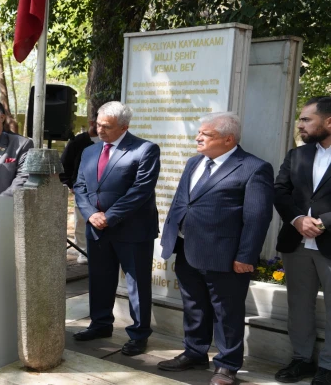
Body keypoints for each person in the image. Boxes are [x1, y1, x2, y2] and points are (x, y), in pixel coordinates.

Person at [157, 112, 273, 385]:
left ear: (228, 138)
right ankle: (195, 352)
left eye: (205, 134)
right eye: (199, 133)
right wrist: (170, 237)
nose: (198, 138)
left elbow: (257, 217)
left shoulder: (254, 168)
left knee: (227, 312)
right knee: (194, 306)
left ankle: (227, 365)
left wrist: (246, 256)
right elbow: (181, 201)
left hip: (225, 256)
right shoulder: (194, 162)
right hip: (187, 249)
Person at [72, 101, 160, 357]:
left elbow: (140, 191)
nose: (100, 130)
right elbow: (80, 187)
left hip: (132, 229)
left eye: (107, 127)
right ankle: (100, 325)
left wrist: (109, 216)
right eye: (97, 124)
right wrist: (91, 215)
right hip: (97, 228)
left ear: (124, 126)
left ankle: (139, 334)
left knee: (136, 284)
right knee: (99, 279)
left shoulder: (145, 149)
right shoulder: (90, 151)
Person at [273, 96, 331, 385]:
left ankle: (328, 367)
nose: (300, 124)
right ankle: (301, 359)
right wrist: (297, 220)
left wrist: (323, 222)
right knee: (298, 304)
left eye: (307, 119)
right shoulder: (297, 155)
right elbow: (280, 191)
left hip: (329, 243)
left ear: (329, 121)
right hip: (295, 243)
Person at [60, 119, 99, 264]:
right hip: (82, 189)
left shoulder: (111, 141)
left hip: (101, 190)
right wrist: (70, 184)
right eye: (98, 123)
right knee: (81, 220)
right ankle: (83, 251)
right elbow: (64, 164)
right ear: (92, 122)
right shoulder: (77, 142)